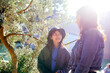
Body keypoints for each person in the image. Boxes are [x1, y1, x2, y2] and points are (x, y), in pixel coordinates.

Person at [70, 6, 106, 73]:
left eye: (77, 18)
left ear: (84, 19)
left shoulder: (92, 33)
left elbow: (84, 63)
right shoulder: (85, 35)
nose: (76, 21)